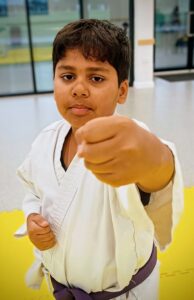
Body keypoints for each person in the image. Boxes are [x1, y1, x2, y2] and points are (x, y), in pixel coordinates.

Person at [16, 19, 183, 300]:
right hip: (61, 287)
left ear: (121, 90)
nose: (79, 89)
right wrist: (32, 217)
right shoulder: (46, 139)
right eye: (67, 76)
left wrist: (155, 156)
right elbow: (33, 188)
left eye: (96, 78)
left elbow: (157, 176)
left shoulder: (129, 141)